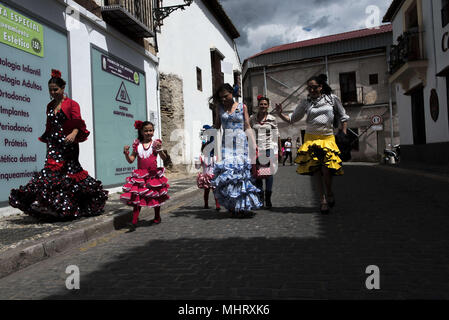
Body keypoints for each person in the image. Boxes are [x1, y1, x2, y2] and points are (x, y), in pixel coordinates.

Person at [9, 69, 108, 218]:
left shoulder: (72, 104)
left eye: (55, 89)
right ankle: (51, 205)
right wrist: (47, 139)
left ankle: (73, 205)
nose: (53, 92)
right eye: (50, 90)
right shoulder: (49, 106)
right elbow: (49, 125)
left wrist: (74, 134)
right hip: (53, 144)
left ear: (62, 88)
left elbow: (78, 123)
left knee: (70, 172)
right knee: (51, 172)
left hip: (68, 144)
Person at [274, 74, 349, 214]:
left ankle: (330, 192)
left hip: (327, 138)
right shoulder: (305, 102)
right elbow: (292, 119)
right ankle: (322, 201)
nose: (312, 90)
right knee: (315, 170)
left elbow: (343, 116)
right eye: (309, 88)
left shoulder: (332, 99)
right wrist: (280, 113)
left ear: (321, 87)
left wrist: (343, 132)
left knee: (327, 170)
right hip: (311, 139)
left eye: (314, 87)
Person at [210, 83, 262, 215]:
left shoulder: (242, 106)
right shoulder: (219, 108)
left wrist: (254, 144)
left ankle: (242, 205)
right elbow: (217, 126)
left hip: (240, 143)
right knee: (229, 175)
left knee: (240, 174)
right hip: (226, 144)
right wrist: (207, 138)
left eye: (225, 96)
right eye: (221, 97)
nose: (223, 99)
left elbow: (247, 125)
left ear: (232, 93)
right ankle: (232, 205)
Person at [120, 121, 169, 231]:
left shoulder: (156, 144)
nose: (148, 132)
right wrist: (126, 154)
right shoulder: (137, 145)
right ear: (141, 132)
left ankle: (157, 217)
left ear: (153, 131)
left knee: (155, 196)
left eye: (150, 130)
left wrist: (160, 149)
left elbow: (164, 158)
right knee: (137, 198)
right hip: (140, 176)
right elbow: (131, 161)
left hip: (153, 175)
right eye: (146, 130)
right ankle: (134, 221)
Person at [249, 95, 281, 209]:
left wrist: (279, 151)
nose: (263, 106)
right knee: (257, 174)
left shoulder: (272, 119)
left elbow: (277, 135)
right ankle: (260, 198)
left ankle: (268, 198)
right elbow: (249, 132)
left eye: (265, 104)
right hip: (256, 150)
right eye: (261, 104)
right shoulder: (252, 118)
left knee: (268, 174)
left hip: (268, 149)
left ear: (268, 106)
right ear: (258, 105)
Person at [195, 134, 220, 211]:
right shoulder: (201, 157)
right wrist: (197, 161)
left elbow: (217, 166)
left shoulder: (214, 157)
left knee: (215, 191)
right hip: (206, 176)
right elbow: (198, 167)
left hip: (213, 176)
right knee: (206, 191)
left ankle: (217, 205)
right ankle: (206, 204)